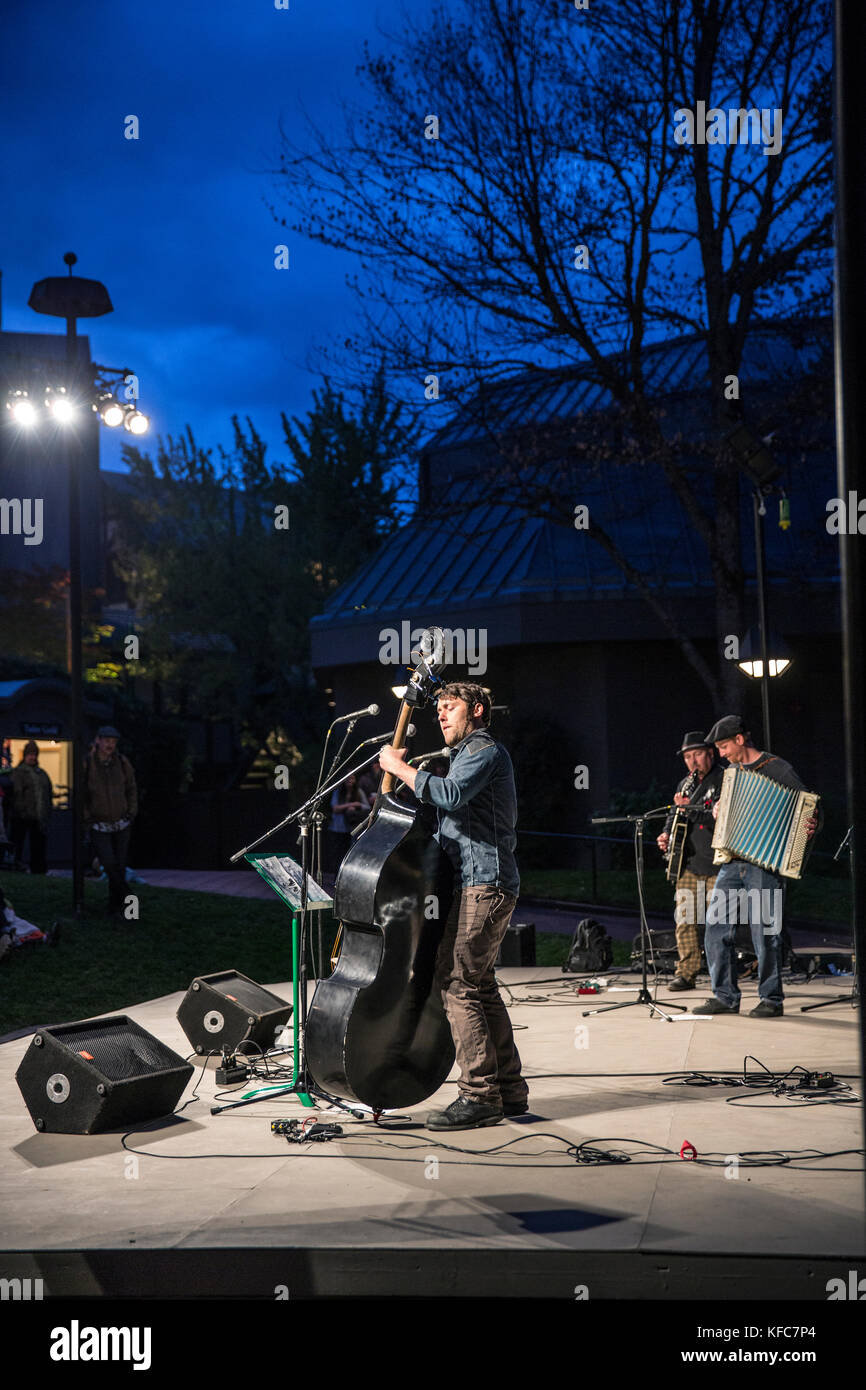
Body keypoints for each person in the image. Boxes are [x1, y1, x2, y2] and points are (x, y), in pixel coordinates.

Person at [379, 680, 527, 1131]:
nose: (440, 715)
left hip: (486, 883)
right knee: (479, 986)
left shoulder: (483, 750)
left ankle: (480, 1095)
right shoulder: (461, 757)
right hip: (479, 883)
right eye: (437, 709)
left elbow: (450, 795)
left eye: (450, 707)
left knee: (458, 983)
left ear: (477, 711)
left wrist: (397, 768)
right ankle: (509, 1091)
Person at [693, 715, 819, 1019]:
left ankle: (772, 999)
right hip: (732, 862)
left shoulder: (778, 768)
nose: (721, 754)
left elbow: (808, 807)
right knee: (715, 928)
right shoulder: (731, 774)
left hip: (765, 864)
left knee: (766, 933)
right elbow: (726, 814)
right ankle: (724, 996)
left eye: (724, 746)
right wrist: (718, 811)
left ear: (740, 739)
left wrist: (810, 825)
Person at [656, 731, 724, 990]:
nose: (692, 761)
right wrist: (665, 833)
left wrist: (688, 810)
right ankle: (686, 972)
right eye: (687, 756)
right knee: (685, 921)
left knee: (717, 924)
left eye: (696, 754)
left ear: (710, 753)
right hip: (688, 862)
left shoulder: (725, 779)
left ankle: (721, 977)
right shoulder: (685, 784)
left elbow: (720, 818)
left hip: (716, 863)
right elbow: (674, 815)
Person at [83, 726, 138, 918]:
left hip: (122, 822)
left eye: (113, 742)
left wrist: (131, 812)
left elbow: (131, 788)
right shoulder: (88, 764)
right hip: (99, 823)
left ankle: (116, 908)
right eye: (106, 740)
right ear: (98, 740)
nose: (110, 745)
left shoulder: (122, 763)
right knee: (109, 864)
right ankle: (130, 902)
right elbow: (81, 792)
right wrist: (88, 817)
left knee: (119, 866)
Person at [11, 741, 52, 874]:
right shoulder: (19, 772)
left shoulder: (41, 774)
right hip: (21, 816)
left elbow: (47, 794)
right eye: (30, 754)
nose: (32, 757)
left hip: (38, 817)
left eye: (34, 754)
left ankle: (38, 869)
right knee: (18, 844)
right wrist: (20, 810)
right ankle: (16, 866)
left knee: (38, 846)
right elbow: (16, 793)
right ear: (25, 755)